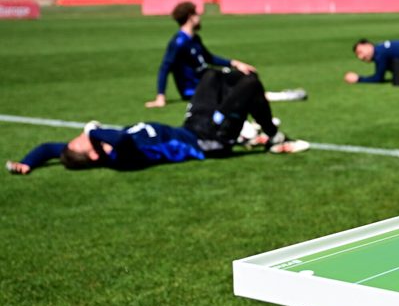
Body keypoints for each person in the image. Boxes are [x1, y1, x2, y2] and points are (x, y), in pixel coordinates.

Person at [7, 69, 308, 175]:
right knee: (251, 85)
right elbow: (121, 139)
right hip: (210, 141)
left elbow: (50, 148)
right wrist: (94, 130)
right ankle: (272, 136)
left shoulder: (97, 146)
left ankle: (246, 117)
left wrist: (27, 162)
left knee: (212, 76)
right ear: (95, 154)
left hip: (191, 126)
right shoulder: (118, 155)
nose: (83, 135)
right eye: (83, 140)